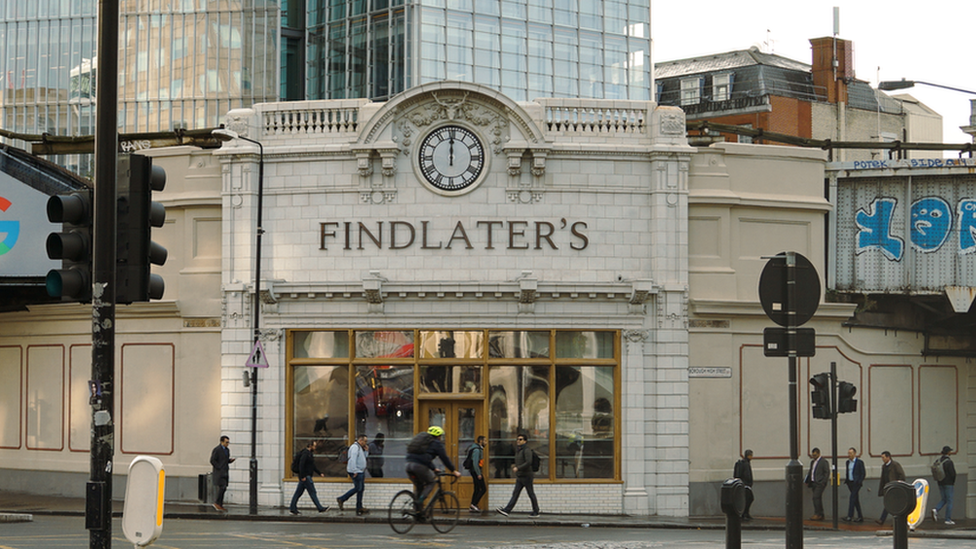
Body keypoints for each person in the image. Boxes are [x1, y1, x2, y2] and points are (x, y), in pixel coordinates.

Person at [404, 426, 462, 515]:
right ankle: (420, 501)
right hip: (419, 466)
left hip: (408, 465)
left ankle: (417, 511)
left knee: (419, 486)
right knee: (431, 482)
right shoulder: (436, 443)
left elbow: (424, 457)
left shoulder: (422, 443)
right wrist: (454, 471)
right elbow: (444, 458)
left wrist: (433, 468)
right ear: (438, 436)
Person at [496, 433, 540, 518]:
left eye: (520, 439)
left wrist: (518, 468)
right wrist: (514, 465)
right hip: (520, 476)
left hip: (526, 475)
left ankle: (536, 511)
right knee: (515, 493)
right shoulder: (519, 450)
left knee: (531, 493)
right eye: (517, 439)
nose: (518, 441)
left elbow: (528, 462)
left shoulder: (526, 450)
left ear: (525, 441)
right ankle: (507, 510)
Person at [289, 441, 330, 515]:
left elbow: (312, 466)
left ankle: (292, 508)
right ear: (310, 446)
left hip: (305, 476)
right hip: (306, 477)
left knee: (298, 493)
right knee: (312, 492)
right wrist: (302, 476)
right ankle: (320, 508)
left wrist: (319, 472)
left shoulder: (309, 454)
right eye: (314, 446)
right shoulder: (305, 454)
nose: (315, 447)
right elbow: (301, 465)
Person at [337, 434, 370, 515]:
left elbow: (363, 458)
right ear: (360, 440)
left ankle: (359, 507)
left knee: (360, 489)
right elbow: (352, 460)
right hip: (356, 471)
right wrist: (354, 471)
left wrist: (366, 451)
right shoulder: (355, 447)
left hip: (360, 471)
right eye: (365, 441)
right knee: (358, 488)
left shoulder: (360, 448)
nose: (365, 443)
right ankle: (342, 499)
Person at [876, 450, 905, 524]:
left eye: (883, 457)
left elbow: (901, 475)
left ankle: (886, 520)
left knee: (892, 505)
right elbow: (883, 478)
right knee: (889, 504)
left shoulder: (895, 465)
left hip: (894, 488)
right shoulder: (884, 467)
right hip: (887, 488)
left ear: (888, 457)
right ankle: (889, 520)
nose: (882, 459)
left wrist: (898, 484)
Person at [931, 445, 956, 525]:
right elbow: (953, 474)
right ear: (948, 452)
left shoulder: (939, 460)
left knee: (944, 498)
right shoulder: (949, 462)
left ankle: (936, 509)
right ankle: (948, 519)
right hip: (949, 483)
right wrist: (953, 482)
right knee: (949, 501)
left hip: (940, 482)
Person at [209, 435, 235, 511]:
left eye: (228, 442)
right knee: (222, 487)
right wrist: (219, 467)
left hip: (225, 471)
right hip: (219, 472)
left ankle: (220, 504)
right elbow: (212, 460)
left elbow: (225, 460)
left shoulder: (227, 450)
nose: (228, 444)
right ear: (222, 442)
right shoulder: (217, 449)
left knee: (224, 488)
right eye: (226, 442)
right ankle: (217, 503)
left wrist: (230, 461)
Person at [805, 447, 829, 521]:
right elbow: (811, 471)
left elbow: (826, 472)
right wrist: (807, 480)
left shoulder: (823, 462)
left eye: (815, 455)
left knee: (815, 497)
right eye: (813, 455)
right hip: (813, 482)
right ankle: (821, 514)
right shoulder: (812, 462)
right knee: (818, 498)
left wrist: (823, 482)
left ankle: (817, 514)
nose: (814, 457)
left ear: (818, 454)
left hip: (820, 483)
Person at [843, 447, 865, 522]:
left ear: (855, 454)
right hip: (850, 482)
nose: (849, 455)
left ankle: (850, 515)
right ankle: (860, 516)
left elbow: (863, 473)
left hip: (856, 483)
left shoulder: (859, 462)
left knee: (852, 498)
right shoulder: (847, 462)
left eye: (851, 453)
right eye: (848, 453)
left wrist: (859, 481)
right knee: (855, 499)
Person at [733, 449, 754, 521]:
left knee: (748, 499)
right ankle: (744, 513)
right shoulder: (744, 463)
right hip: (745, 485)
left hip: (746, 485)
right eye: (751, 455)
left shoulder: (746, 463)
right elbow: (744, 474)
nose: (752, 457)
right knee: (749, 499)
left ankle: (746, 513)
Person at [467, 436, 487, 512]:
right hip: (476, 472)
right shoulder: (477, 450)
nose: (486, 442)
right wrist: (479, 473)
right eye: (485, 440)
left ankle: (473, 505)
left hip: (475, 471)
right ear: (480, 441)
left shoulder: (478, 449)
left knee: (477, 488)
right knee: (483, 488)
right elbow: (475, 463)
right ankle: (474, 504)